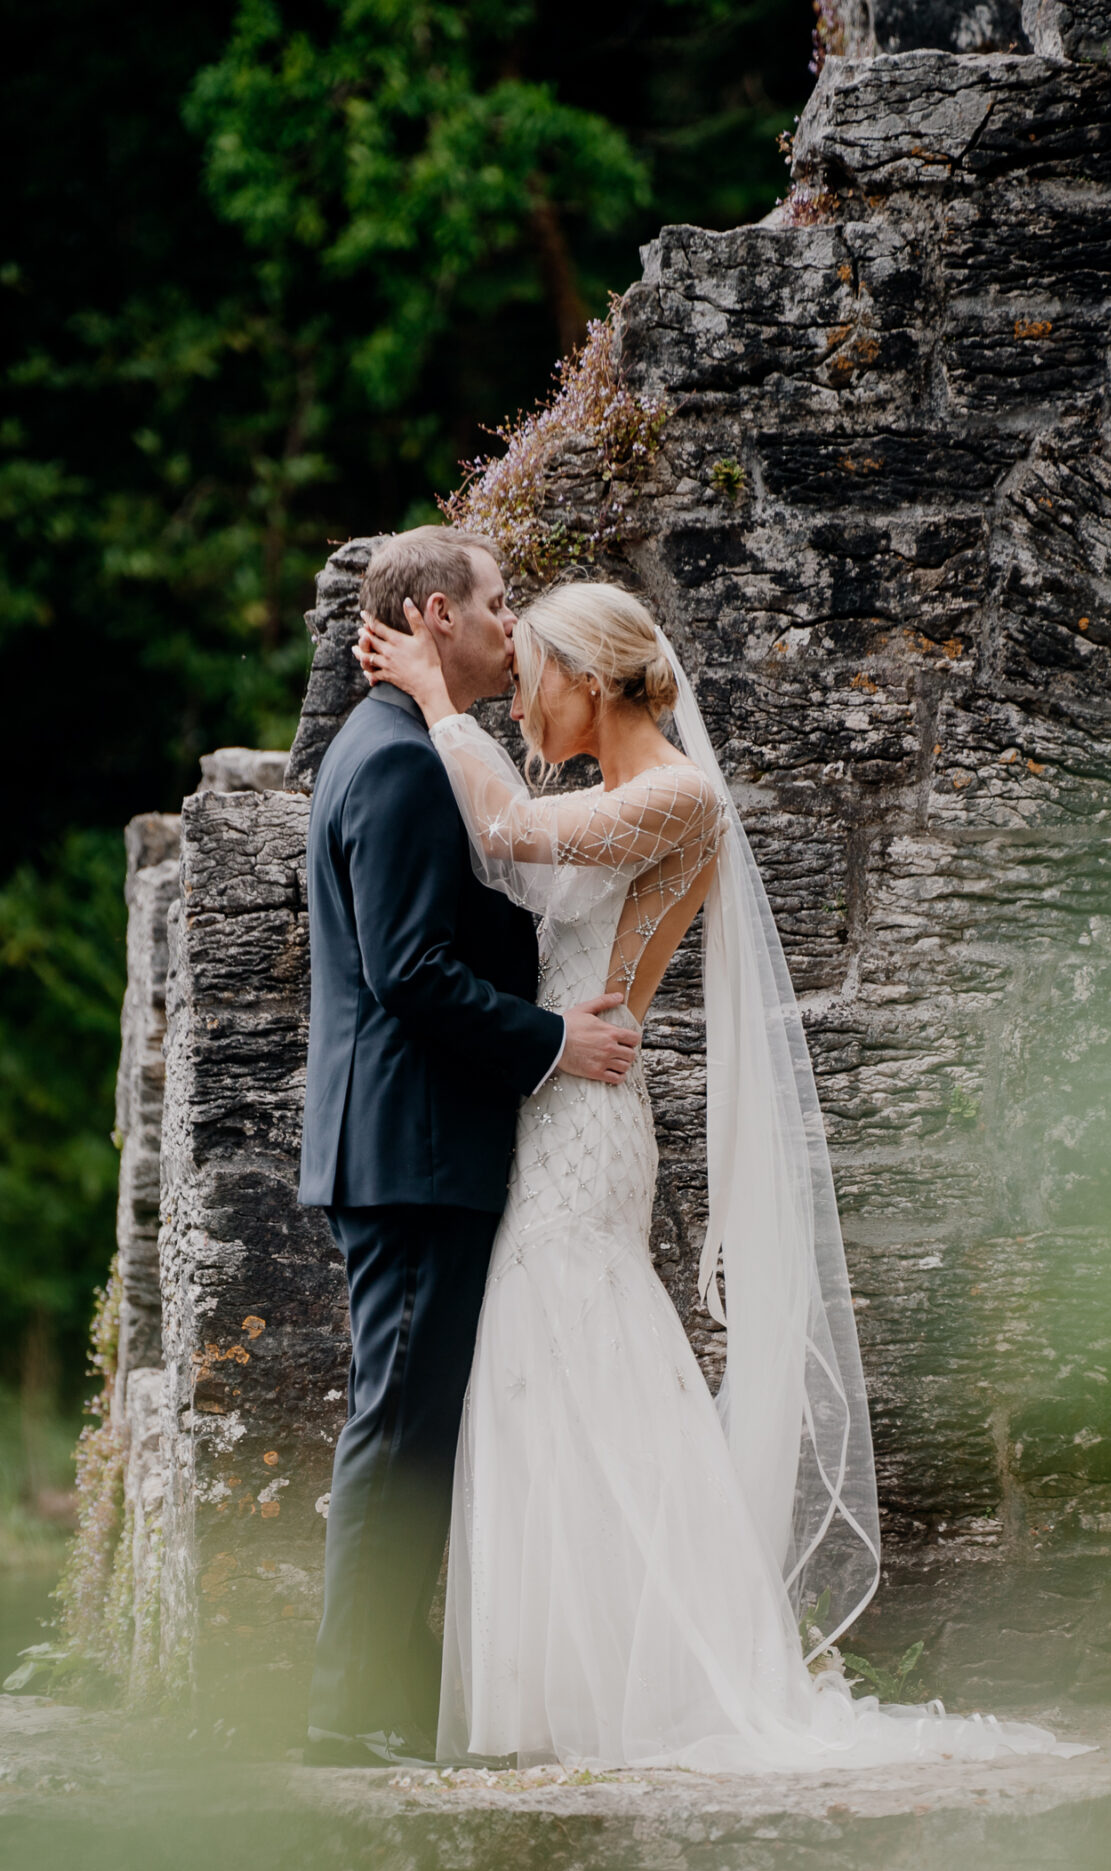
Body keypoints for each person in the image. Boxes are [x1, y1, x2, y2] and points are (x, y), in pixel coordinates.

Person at [356, 579, 1088, 1771]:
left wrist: (437, 696)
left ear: (591, 682)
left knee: (573, 1346)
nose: (525, 701)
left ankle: (650, 1682)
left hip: (584, 1127)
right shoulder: (610, 794)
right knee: (543, 1370)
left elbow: (502, 833)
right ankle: (563, 1686)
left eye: (535, 675)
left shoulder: (680, 799)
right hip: (557, 1100)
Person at [300, 529, 642, 1766]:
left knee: (417, 1427)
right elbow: (409, 972)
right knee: (396, 1428)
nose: (515, 624)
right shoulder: (393, 763)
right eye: (500, 605)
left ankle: (385, 1700)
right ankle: (347, 1714)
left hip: (416, 1144)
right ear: (437, 615)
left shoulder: (408, 744)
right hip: (409, 1148)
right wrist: (555, 1037)